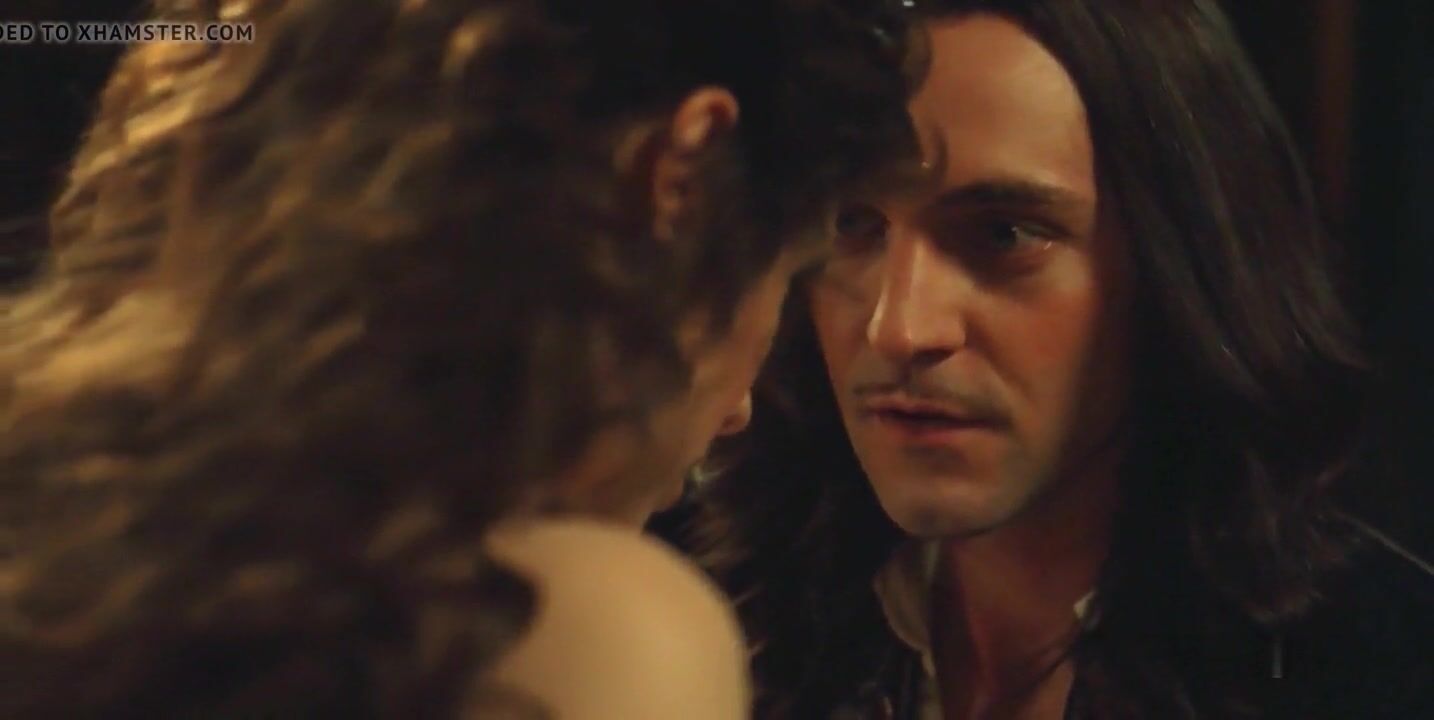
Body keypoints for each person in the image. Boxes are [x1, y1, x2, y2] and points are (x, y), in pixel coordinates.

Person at [0, 0, 917, 716]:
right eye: (779, 273)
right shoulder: (583, 632)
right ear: (682, 175)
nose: (739, 411)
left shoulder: (62, 524)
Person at [690, 1, 1434, 718]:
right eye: (854, 224)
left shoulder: (1377, 670)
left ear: (1178, 270)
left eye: (1004, 235)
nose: (901, 328)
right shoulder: (715, 607)